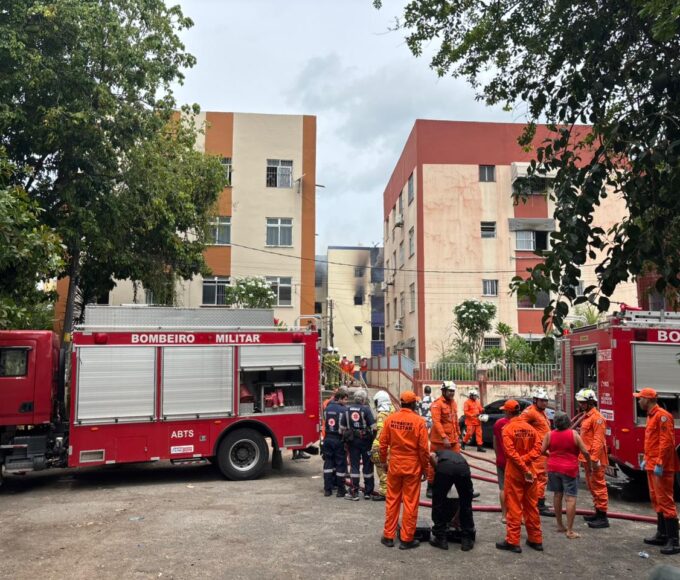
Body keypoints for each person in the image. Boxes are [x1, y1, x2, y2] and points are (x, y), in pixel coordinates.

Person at [379, 391, 430, 550]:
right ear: (413, 404)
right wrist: (425, 469)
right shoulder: (419, 421)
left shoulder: (390, 419)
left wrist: (384, 462)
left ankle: (389, 536)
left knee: (392, 500)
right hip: (412, 467)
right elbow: (423, 449)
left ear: (401, 403)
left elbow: (382, 444)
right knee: (410, 503)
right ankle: (406, 539)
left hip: (394, 465)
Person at [635, 387, 680, 555]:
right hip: (652, 465)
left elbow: (666, 442)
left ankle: (674, 541)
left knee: (666, 501)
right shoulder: (651, 416)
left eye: (640, 398)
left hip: (662, 467)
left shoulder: (662, 416)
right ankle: (662, 534)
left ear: (648, 400)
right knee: (656, 499)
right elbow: (652, 442)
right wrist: (647, 459)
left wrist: (660, 462)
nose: (638, 401)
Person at [496, 399, 543, 554]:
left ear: (508, 412)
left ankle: (513, 541)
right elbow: (538, 449)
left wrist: (522, 466)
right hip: (531, 471)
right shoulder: (531, 429)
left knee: (514, 507)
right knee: (532, 507)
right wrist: (526, 463)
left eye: (504, 411)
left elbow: (510, 453)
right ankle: (536, 540)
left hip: (515, 472)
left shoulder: (507, 429)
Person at [541, 411, 591, 539]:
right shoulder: (574, 434)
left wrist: (552, 456)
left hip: (553, 468)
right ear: (568, 422)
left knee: (557, 495)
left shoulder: (549, 435)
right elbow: (585, 452)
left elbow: (542, 451)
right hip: (570, 469)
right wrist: (589, 466)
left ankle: (560, 525)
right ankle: (570, 531)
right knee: (570, 498)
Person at [428, 449, 476, 552]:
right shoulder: (458, 456)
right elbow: (467, 498)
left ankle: (440, 538)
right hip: (463, 468)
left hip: (444, 469)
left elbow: (431, 456)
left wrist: (437, 470)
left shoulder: (438, 452)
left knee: (438, 502)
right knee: (466, 503)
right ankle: (466, 540)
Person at [575, 388, 610, 529]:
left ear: (590, 402)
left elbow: (598, 440)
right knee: (592, 486)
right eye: (580, 402)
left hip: (595, 459)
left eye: (583, 402)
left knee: (599, 486)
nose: (580, 405)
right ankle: (597, 512)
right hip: (588, 459)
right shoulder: (588, 416)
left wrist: (594, 460)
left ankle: (602, 517)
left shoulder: (597, 418)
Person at [522, 387, 554, 517]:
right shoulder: (530, 412)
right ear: (535, 400)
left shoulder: (541, 412)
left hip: (543, 450)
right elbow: (520, 427)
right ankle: (539, 504)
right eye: (542, 400)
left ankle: (537, 502)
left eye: (546, 401)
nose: (545, 403)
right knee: (540, 477)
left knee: (541, 477)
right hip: (538, 451)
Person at [427, 381, 461, 498]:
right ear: (444, 391)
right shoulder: (437, 404)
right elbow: (436, 422)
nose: (452, 393)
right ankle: (431, 487)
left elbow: (455, 420)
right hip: (439, 441)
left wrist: (459, 434)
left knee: (458, 463)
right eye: (450, 391)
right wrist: (444, 437)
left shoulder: (453, 403)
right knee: (434, 464)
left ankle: (464, 490)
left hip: (453, 441)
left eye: (453, 391)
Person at [345, 389, 377, 500]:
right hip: (366, 441)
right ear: (363, 400)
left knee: (354, 466)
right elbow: (374, 427)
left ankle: (354, 492)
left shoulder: (347, 409)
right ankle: (368, 492)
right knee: (368, 465)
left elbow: (343, 427)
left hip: (352, 441)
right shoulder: (366, 409)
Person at [322, 387, 350, 498]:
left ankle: (327, 489)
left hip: (327, 438)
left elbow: (325, 421)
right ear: (340, 398)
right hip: (338, 439)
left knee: (328, 464)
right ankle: (340, 490)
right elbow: (345, 426)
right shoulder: (343, 410)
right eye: (345, 399)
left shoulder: (327, 408)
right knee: (340, 464)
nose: (346, 402)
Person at [371, 390, 394, 501]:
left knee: (382, 469)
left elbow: (381, 432)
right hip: (392, 445)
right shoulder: (393, 411)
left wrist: (376, 448)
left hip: (382, 446)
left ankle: (384, 492)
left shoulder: (382, 415)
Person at [493, 405, 511, 523]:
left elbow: (495, 443)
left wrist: (498, 456)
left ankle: (504, 515)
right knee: (517, 490)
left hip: (501, 460)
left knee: (503, 488)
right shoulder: (520, 424)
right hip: (516, 462)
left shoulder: (498, 423)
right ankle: (518, 516)